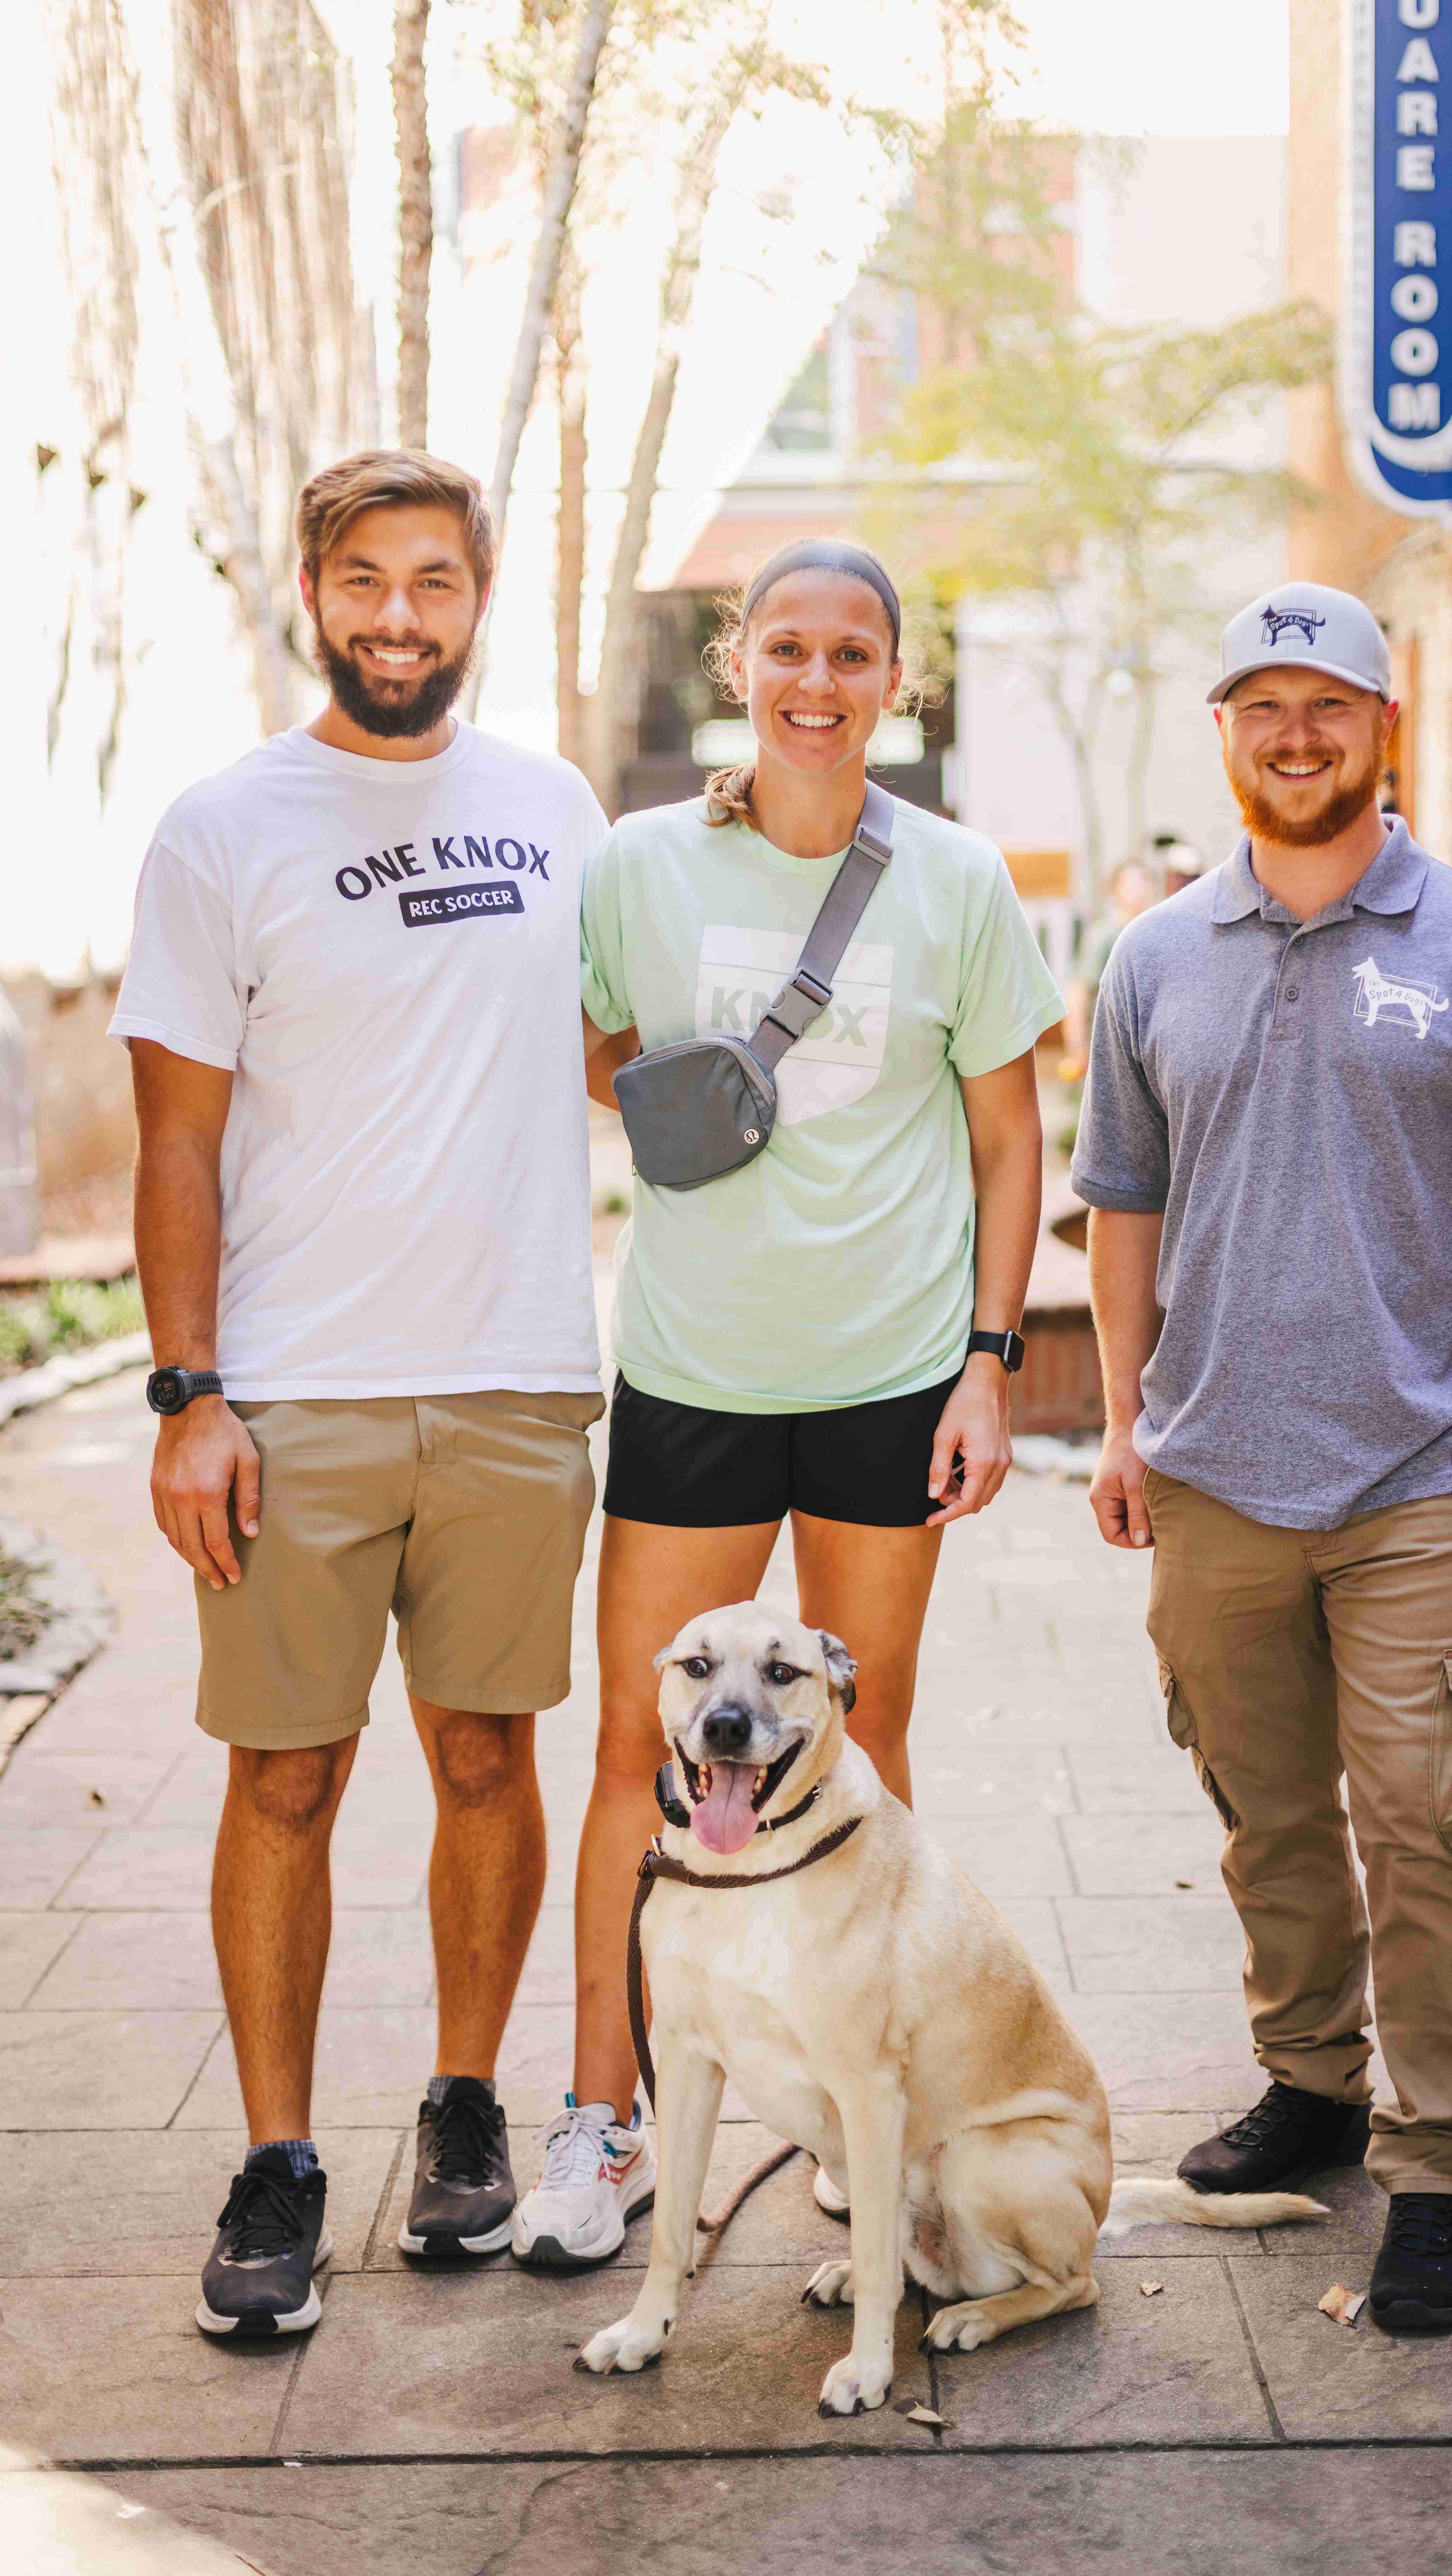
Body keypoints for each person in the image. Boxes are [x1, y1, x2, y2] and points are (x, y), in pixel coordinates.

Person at [509, 537, 1063, 2268]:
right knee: (637, 1747)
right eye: (787, 649)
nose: (816, 683)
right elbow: (590, 1055)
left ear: (895, 681)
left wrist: (987, 1363)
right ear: (735, 663)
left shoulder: (958, 880)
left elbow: (1002, 1132)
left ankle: (841, 2102)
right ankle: (603, 2118)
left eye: (852, 656)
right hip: (693, 1366)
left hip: (891, 1377)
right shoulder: (635, 868)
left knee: (859, 1741)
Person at [1073, 580, 1452, 2334]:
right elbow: (1124, 1207)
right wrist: (1128, 1418)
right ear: (1222, 733)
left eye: (1327, 704)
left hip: (1414, 1475)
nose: (1293, 735)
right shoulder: (1154, 955)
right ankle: (1309, 2083)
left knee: (1432, 1826)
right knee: (1266, 1822)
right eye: (1259, 707)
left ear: (1382, 727)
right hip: (1217, 1471)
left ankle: (1439, 2164)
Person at [111, 450, 609, 2337]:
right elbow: (176, 1141)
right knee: (288, 1778)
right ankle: (279, 2156)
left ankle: (467, 2110)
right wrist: (189, 1396)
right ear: (312, 594)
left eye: (435, 583)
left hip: (513, 1378)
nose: (399, 616)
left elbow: (618, 1046)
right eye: (365, 581)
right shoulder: (224, 826)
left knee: (488, 1756)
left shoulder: (558, 807)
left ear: (481, 599)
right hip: (296, 1394)